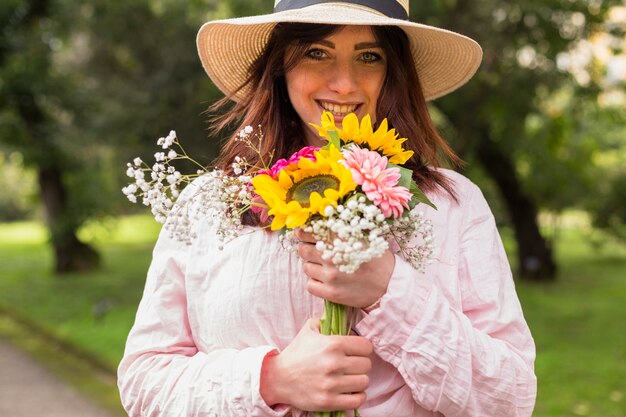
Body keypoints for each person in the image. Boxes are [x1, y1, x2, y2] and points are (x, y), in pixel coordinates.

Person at [117, 1, 537, 416]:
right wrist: (271, 380)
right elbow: (142, 385)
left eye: (369, 56)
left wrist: (387, 291)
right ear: (280, 65)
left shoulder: (454, 207)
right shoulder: (207, 203)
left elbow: (510, 399)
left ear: (394, 73)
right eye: (316, 52)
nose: (343, 84)